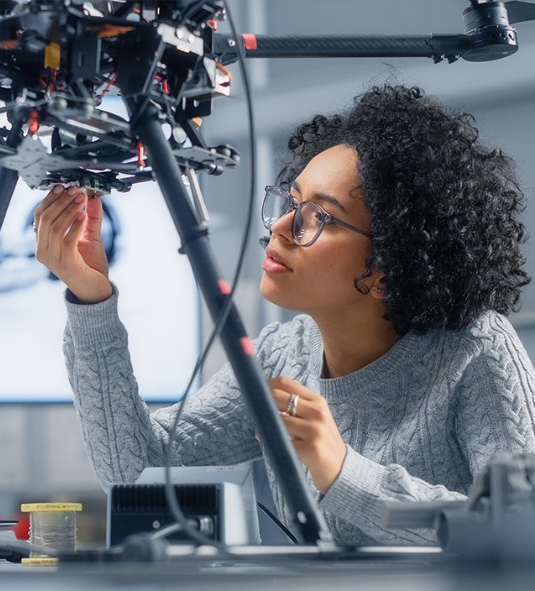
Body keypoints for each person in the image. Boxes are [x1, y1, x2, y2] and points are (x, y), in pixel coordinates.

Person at [34, 84, 535, 546]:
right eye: (291, 202)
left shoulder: (476, 350)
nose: (281, 227)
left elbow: (520, 526)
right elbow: (134, 469)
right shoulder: (283, 354)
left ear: (388, 266)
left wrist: (343, 472)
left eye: (321, 216)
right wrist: (91, 300)